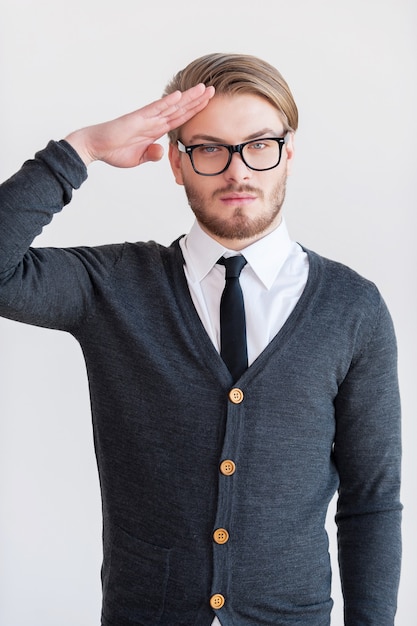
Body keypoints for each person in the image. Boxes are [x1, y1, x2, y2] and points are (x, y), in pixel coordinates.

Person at [0, 53, 402, 626]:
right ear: (177, 164)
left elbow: (372, 502)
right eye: (209, 148)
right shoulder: (114, 287)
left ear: (288, 153)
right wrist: (80, 149)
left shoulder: (351, 308)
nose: (238, 171)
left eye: (258, 145)